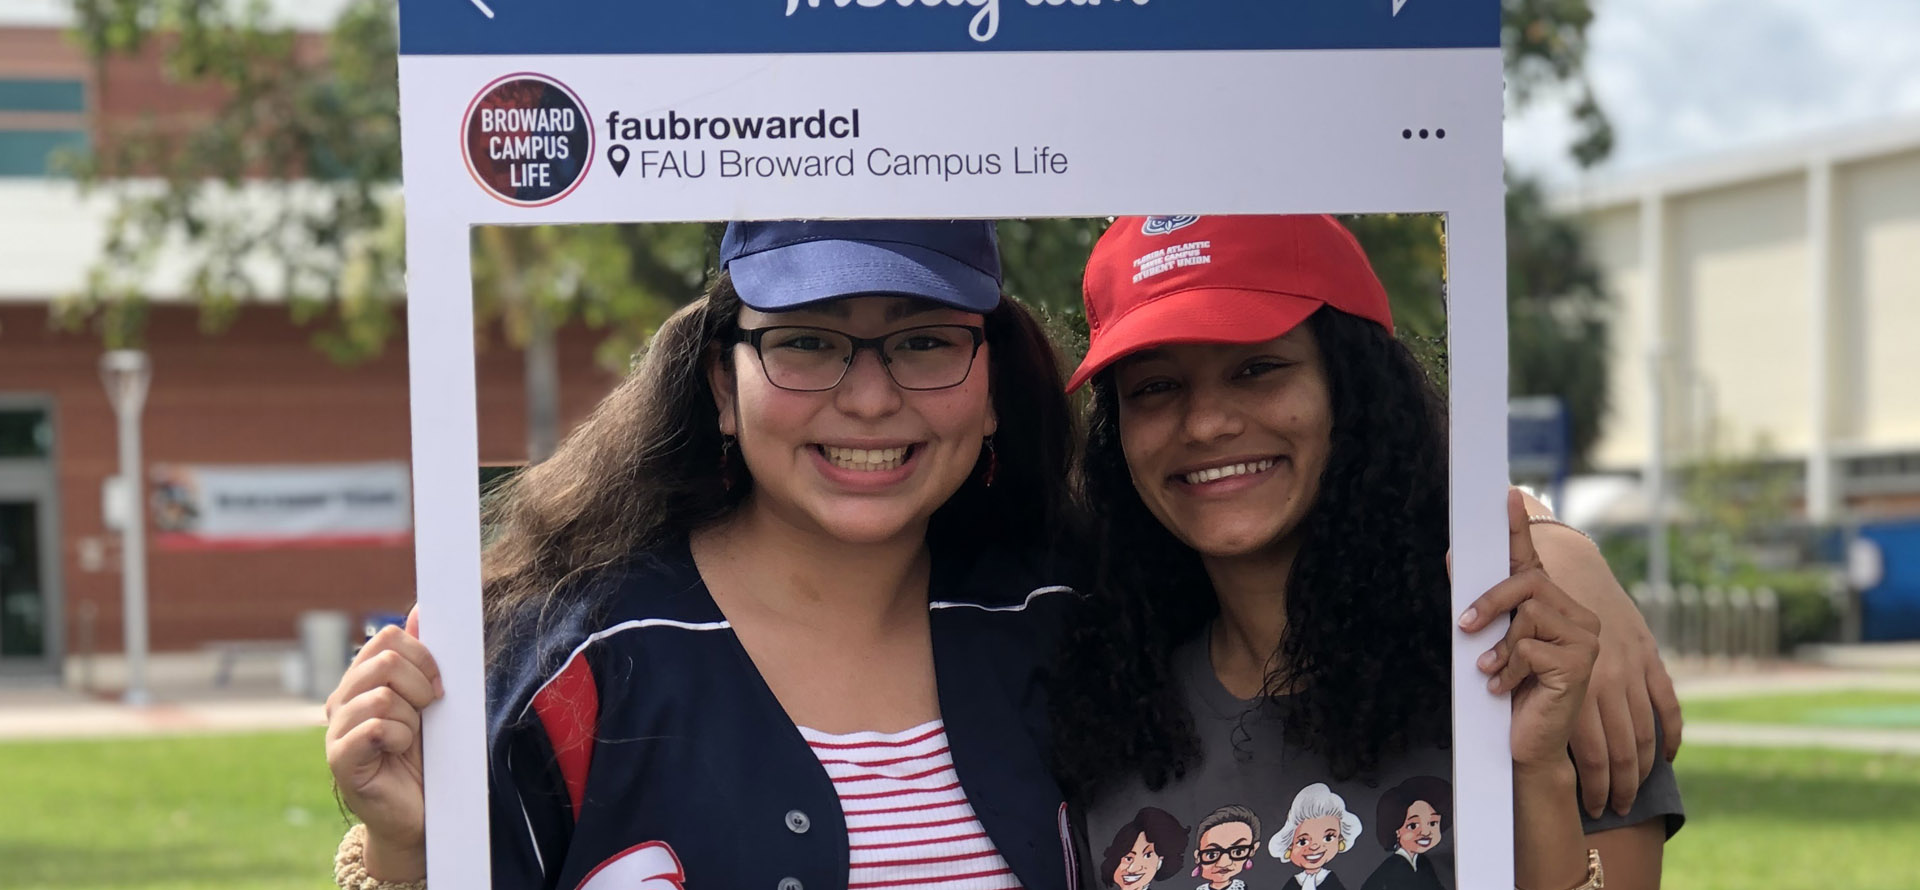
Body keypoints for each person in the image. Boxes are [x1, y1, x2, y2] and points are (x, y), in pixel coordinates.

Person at [324, 219, 1082, 890]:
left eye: (924, 342)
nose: (870, 400)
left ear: (992, 386)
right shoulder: (567, 663)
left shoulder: (1079, 627)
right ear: (724, 384)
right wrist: (411, 855)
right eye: (807, 342)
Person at [1053, 215, 1685, 890]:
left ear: (1354, 386)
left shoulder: (1535, 663)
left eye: (1258, 368)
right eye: (1154, 387)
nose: (1206, 423)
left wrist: (1539, 776)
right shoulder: (1101, 706)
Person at [1361, 776, 1451, 890]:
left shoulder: (1422, 861)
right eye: (1413, 826)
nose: (1426, 832)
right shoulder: (1394, 870)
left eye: (1432, 823)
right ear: (1396, 830)